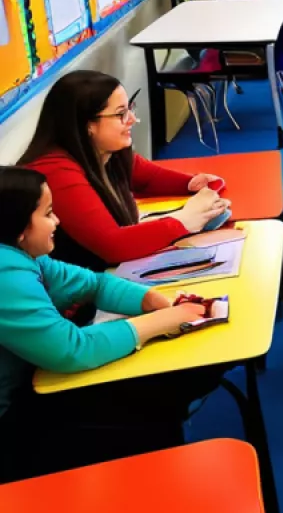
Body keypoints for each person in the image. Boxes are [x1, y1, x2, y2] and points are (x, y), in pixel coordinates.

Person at [0, 166, 219, 482]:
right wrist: (160, 322)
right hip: (10, 425)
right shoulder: (6, 277)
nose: (57, 221)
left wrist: (152, 300)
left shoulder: (25, 255)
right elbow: (71, 350)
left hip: (29, 384)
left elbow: (94, 284)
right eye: (47, 214)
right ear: (20, 227)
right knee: (145, 406)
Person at [20, 71, 228, 272]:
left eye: (130, 109)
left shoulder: (104, 149)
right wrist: (184, 220)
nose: (132, 119)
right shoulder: (55, 172)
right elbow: (113, 245)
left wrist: (194, 185)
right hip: (66, 290)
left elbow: (148, 178)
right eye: (121, 114)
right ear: (87, 125)